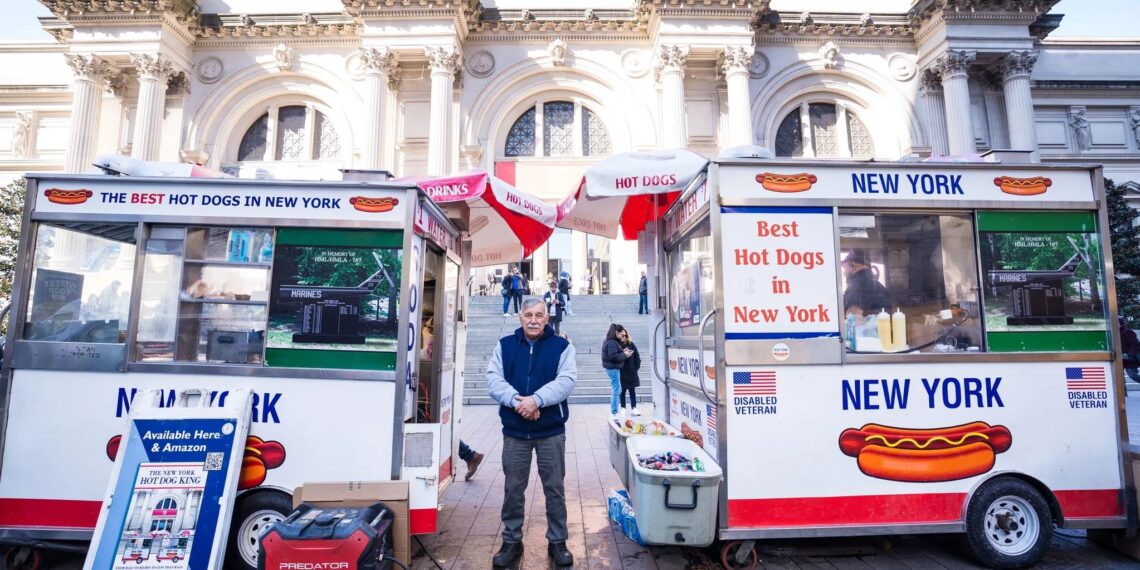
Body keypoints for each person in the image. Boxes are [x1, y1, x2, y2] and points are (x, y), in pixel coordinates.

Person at [486, 297, 577, 568]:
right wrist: (519, 402)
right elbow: (493, 379)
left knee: (555, 488)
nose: (534, 320)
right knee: (513, 489)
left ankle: (558, 541)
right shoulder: (505, 345)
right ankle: (512, 541)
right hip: (515, 432)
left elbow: (566, 381)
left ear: (547, 318)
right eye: (529, 315)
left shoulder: (561, 347)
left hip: (550, 431)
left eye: (539, 315)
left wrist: (536, 400)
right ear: (520, 317)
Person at [841, 250, 890, 320]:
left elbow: (852, 319)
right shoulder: (880, 287)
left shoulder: (854, 287)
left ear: (853, 265)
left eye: (845, 268)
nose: (844, 273)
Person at [601, 323, 633, 416]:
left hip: (613, 367)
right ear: (616, 332)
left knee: (617, 389)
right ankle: (614, 412)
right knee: (616, 390)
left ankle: (614, 412)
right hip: (613, 368)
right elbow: (613, 356)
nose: (622, 336)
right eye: (621, 334)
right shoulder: (611, 342)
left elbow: (614, 354)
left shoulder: (611, 341)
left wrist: (623, 352)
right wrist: (625, 355)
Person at [618, 329, 641, 415]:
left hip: (631, 372)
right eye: (622, 335)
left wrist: (636, 368)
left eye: (625, 335)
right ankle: (623, 408)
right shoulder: (617, 345)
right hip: (622, 372)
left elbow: (637, 357)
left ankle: (634, 408)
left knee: (632, 391)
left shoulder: (631, 344)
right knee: (622, 391)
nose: (624, 337)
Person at [1121, 316, 1140, 383]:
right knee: (1119, 378)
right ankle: (1123, 390)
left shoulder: (1128, 332)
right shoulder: (1113, 333)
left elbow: (1135, 345)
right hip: (1119, 358)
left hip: (1129, 359)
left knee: (1133, 375)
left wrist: (1130, 355)